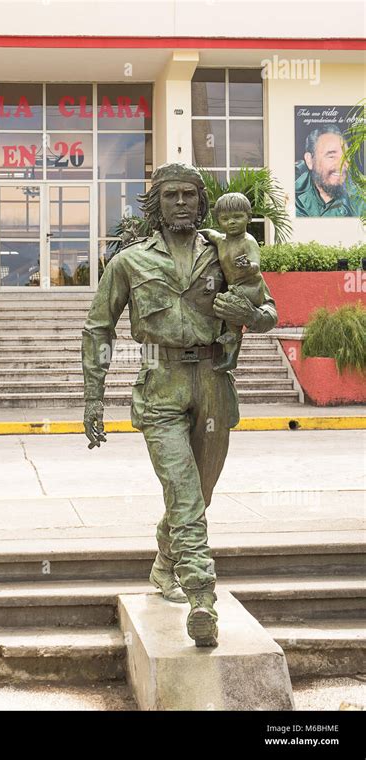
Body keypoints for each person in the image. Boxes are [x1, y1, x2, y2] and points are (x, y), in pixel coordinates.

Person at [81, 163, 277, 647]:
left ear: (202, 202)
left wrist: (249, 314)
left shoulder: (229, 253)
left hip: (213, 382)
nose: (182, 203)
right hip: (161, 386)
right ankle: (202, 597)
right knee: (185, 492)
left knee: (199, 494)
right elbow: (98, 328)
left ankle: (165, 563)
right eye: (171, 196)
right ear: (156, 206)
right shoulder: (129, 262)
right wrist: (93, 396)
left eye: (190, 195)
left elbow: (270, 312)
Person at [200, 192, 265, 373]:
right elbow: (208, 233)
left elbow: (256, 266)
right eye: (225, 218)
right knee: (224, 304)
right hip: (235, 288)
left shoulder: (248, 241)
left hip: (252, 288)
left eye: (238, 217)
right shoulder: (221, 240)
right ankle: (229, 352)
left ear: (249, 218)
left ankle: (232, 346)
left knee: (228, 304)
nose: (232, 222)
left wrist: (247, 266)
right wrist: (193, 232)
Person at [295, 125, 365, 217]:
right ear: (310, 160)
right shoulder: (291, 193)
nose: (342, 165)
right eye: (331, 156)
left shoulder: (361, 200)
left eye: (346, 157)